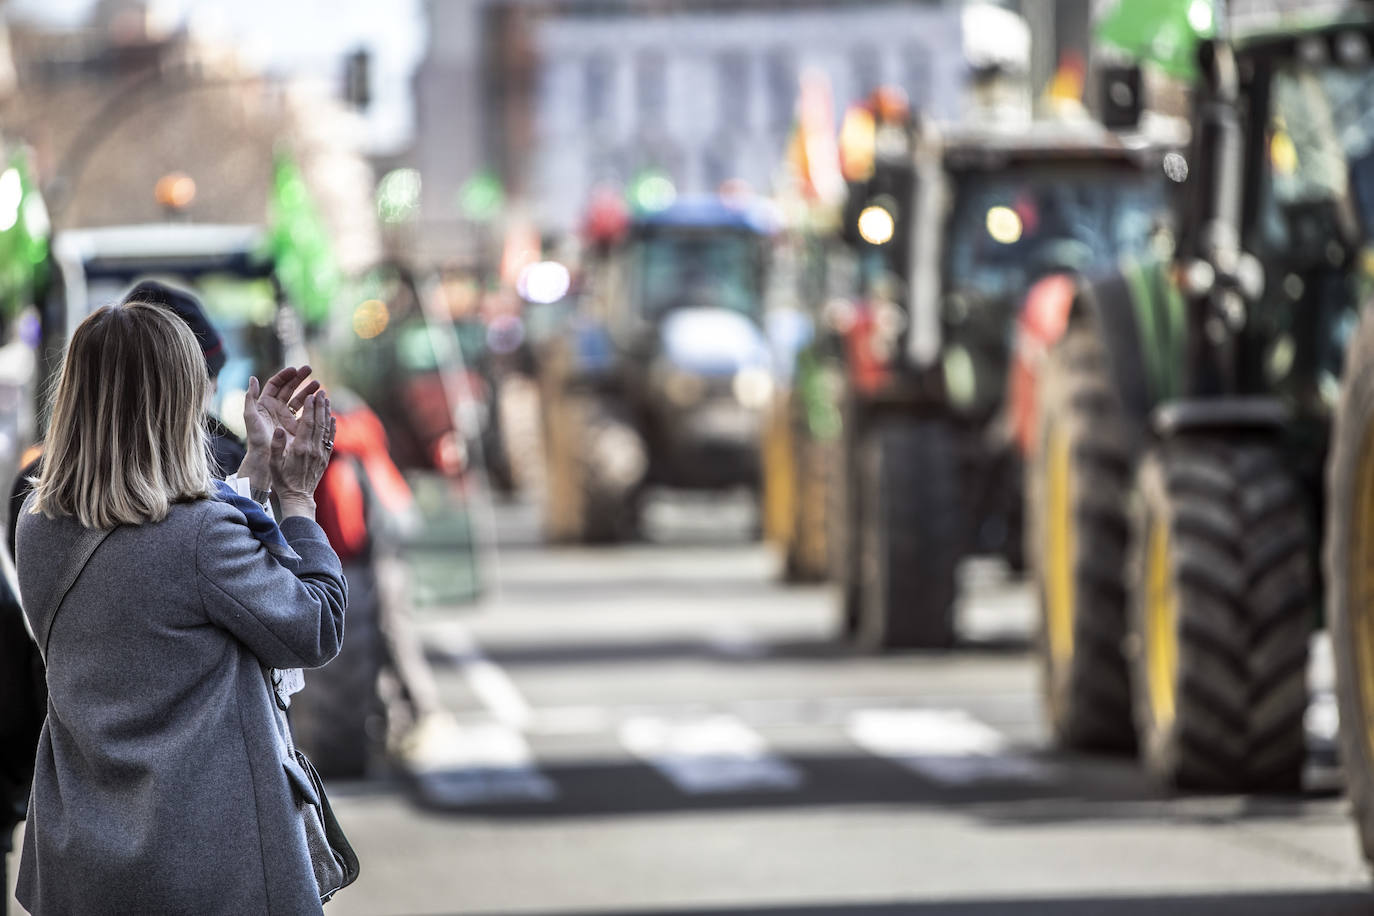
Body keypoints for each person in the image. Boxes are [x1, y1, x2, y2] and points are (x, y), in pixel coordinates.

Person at [14, 300, 346, 914]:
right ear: (173, 403)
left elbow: (157, 564)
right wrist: (297, 499)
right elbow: (316, 626)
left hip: (83, 862)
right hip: (212, 867)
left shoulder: (37, 527)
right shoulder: (199, 536)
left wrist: (252, 475)